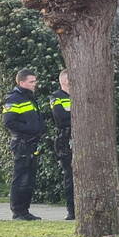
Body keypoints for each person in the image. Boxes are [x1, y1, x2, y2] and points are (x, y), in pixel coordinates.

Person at [2, 68, 44, 221]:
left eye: (35, 81)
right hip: (21, 143)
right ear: (21, 82)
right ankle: (17, 211)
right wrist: (30, 129)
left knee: (29, 179)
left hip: (31, 143)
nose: (35, 84)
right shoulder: (14, 98)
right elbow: (9, 122)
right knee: (20, 178)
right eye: (31, 81)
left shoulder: (29, 98)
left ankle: (25, 211)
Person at [49, 69, 75, 220]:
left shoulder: (78, 94)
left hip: (79, 138)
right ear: (64, 81)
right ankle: (72, 211)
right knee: (70, 175)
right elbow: (60, 117)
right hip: (65, 141)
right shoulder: (56, 97)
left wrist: (70, 112)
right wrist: (75, 113)